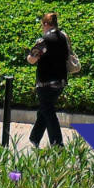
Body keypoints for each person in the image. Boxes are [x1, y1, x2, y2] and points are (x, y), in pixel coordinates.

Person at [25, 11, 72, 148]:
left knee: (48, 112)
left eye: (42, 25)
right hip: (60, 81)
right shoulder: (64, 37)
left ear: (46, 24)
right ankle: (34, 138)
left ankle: (57, 144)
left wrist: (31, 57)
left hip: (45, 83)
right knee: (45, 109)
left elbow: (32, 59)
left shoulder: (44, 40)